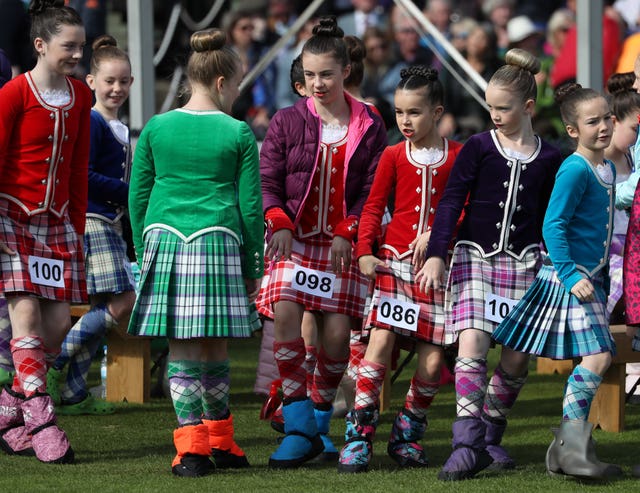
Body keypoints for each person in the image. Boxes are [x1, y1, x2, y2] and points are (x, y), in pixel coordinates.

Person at [417, 48, 563, 481]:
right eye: (490, 107)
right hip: (474, 259)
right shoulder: (479, 146)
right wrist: (439, 254)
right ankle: (465, 444)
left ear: (528, 108)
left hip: (525, 266)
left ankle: (489, 437)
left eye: (504, 107)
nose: (494, 114)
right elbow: (450, 204)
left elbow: (550, 219)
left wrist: (556, 264)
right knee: (472, 344)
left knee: (517, 361)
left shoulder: (552, 158)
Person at [127, 27, 264, 477]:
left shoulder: (156, 127)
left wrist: (141, 244)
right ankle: (216, 443)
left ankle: (194, 449)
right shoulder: (238, 131)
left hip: (165, 237)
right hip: (219, 240)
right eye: (239, 83)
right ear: (223, 82)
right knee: (214, 347)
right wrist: (253, 265)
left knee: (183, 349)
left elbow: (138, 195)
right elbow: (249, 206)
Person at [259, 15, 387, 469]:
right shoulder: (287, 120)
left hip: (341, 245)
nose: (317, 83)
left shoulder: (370, 123)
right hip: (293, 243)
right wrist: (280, 222)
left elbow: (374, 188)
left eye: (326, 74)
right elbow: (268, 181)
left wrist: (349, 231)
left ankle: (317, 424)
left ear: (345, 71)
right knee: (286, 314)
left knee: (336, 335)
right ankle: (297, 427)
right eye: (310, 75)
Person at [492, 82, 623, 480]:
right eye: (592, 121)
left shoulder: (607, 167)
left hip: (591, 279)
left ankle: (568, 450)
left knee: (523, 356)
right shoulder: (574, 168)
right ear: (572, 130)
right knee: (586, 356)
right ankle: (563, 447)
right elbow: (554, 225)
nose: (602, 126)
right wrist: (568, 273)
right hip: (567, 278)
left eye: (607, 118)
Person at [337, 65, 462, 473]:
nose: (405, 121)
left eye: (414, 112)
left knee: (430, 363)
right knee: (379, 344)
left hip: (436, 271)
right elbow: (373, 207)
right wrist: (365, 252)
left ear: (437, 111)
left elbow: (464, 208)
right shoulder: (392, 155)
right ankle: (359, 435)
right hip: (394, 263)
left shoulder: (458, 155)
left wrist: (440, 233)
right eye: (399, 113)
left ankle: (407, 435)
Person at [0, 0, 90, 464]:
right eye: (68, 46)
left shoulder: (82, 96)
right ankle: (42, 418)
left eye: (80, 46)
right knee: (27, 317)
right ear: (40, 45)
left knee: (57, 324)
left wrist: (75, 227)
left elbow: (77, 168)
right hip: (11, 218)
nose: (77, 54)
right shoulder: (14, 92)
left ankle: (9, 405)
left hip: (58, 224)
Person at [46, 34, 136, 415]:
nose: (117, 88)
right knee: (124, 301)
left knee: (103, 306)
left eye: (124, 81)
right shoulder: (94, 122)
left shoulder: (121, 127)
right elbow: (83, 176)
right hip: (94, 222)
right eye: (110, 81)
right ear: (92, 82)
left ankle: (74, 393)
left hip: (110, 223)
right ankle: (54, 363)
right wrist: (130, 192)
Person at [604, 73, 640, 324]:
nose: (639, 135)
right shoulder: (598, 163)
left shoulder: (631, 159)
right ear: (614, 122)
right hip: (607, 254)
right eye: (635, 128)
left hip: (631, 249)